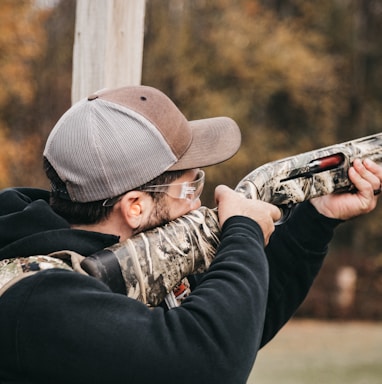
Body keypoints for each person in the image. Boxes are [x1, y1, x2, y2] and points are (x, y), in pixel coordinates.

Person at [0, 85, 381, 384]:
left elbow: (238, 326)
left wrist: (316, 218)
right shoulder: (35, 300)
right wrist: (243, 231)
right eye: (191, 186)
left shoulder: (126, 262)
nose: (198, 205)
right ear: (135, 206)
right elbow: (209, 363)